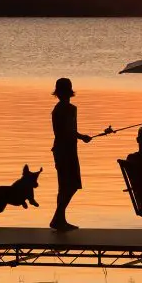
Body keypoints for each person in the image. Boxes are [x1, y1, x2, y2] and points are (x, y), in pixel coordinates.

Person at [50, 78, 91, 231]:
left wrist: (79, 136)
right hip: (66, 151)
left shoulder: (57, 109)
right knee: (71, 184)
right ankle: (58, 218)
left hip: (62, 150)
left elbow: (68, 131)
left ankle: (60, 218)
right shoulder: (69, 109)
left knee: (65, 185)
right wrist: (82, 137)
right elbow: (69, 131)